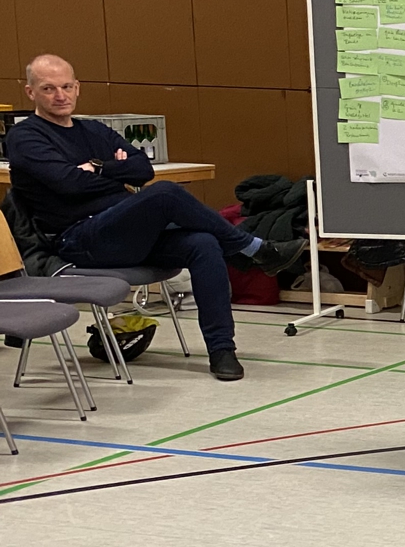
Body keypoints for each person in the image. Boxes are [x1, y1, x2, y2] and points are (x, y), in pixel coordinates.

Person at [4, 55, 302, 381]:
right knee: (166, 194)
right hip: (79, 239)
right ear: (31, 92)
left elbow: (142, 169)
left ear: (77, 88)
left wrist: (99, 167)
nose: (60, 95)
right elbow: (68, 183)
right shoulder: (25, 137)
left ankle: (222, 350)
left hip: (126, 231)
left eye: (66, 87)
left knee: (202, 243)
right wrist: (113, 171)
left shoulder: (93, 130)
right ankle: (252, 249)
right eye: (48, 88)